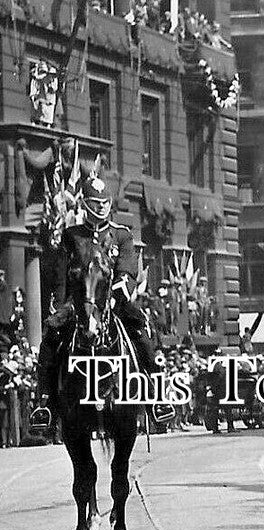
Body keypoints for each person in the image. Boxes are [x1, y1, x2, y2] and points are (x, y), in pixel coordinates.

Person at [33, 175, 171, 425]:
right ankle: (45, 402)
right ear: (85, 203)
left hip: (112, 300)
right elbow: (63, 272)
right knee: (51, 334)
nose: (102, 207)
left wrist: (121, 288)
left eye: (105, 202)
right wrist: (61, 303)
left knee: (141, 331)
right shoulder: (71, 235)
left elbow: (127, 270)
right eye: (96, 202)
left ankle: (156, 396)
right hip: (78, 301)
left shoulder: (121, 235)